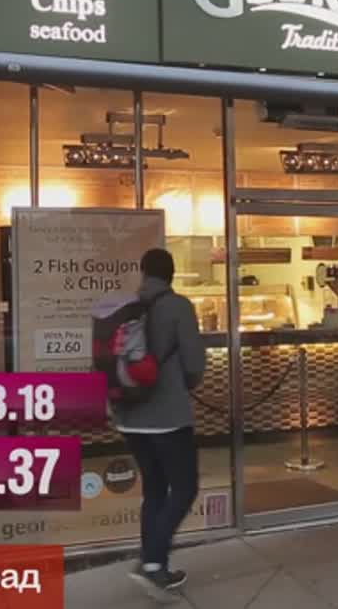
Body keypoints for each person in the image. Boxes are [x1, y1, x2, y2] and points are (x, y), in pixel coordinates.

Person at [111, 248, 206, 596]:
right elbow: (194, 364)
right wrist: (184, 384)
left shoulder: (127, 308)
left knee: (154, 488)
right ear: (172, 273)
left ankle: (153, 565)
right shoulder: (179, 306)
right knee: (184, 488)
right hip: (167, 418)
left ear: (143, 272)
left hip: (129, 416)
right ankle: (152, 561)